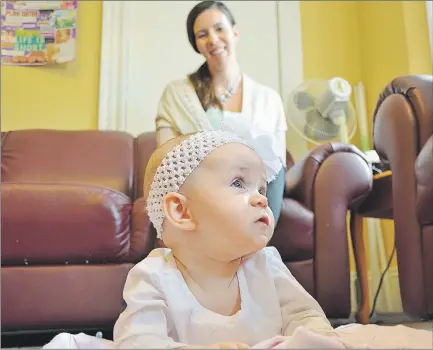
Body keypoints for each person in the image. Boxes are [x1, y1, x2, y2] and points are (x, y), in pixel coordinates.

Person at [41, 131, 433, 349]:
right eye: (238, 184)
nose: (262, 197)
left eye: (260, 186)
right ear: (182, 212)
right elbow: (138, 342)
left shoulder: (266, 264)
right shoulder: (154, 276)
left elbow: (306, 317)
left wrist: (317, 339)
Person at [155, 0, 287, 225]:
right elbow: (167, 164)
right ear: (196, 44)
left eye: (219, 29)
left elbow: (277, 167)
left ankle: (258, 239)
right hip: (202, 203)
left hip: (257, 203)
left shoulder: (269, 99)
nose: (213, 39)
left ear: (234, 32)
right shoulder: (176, 95)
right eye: (202, 34)